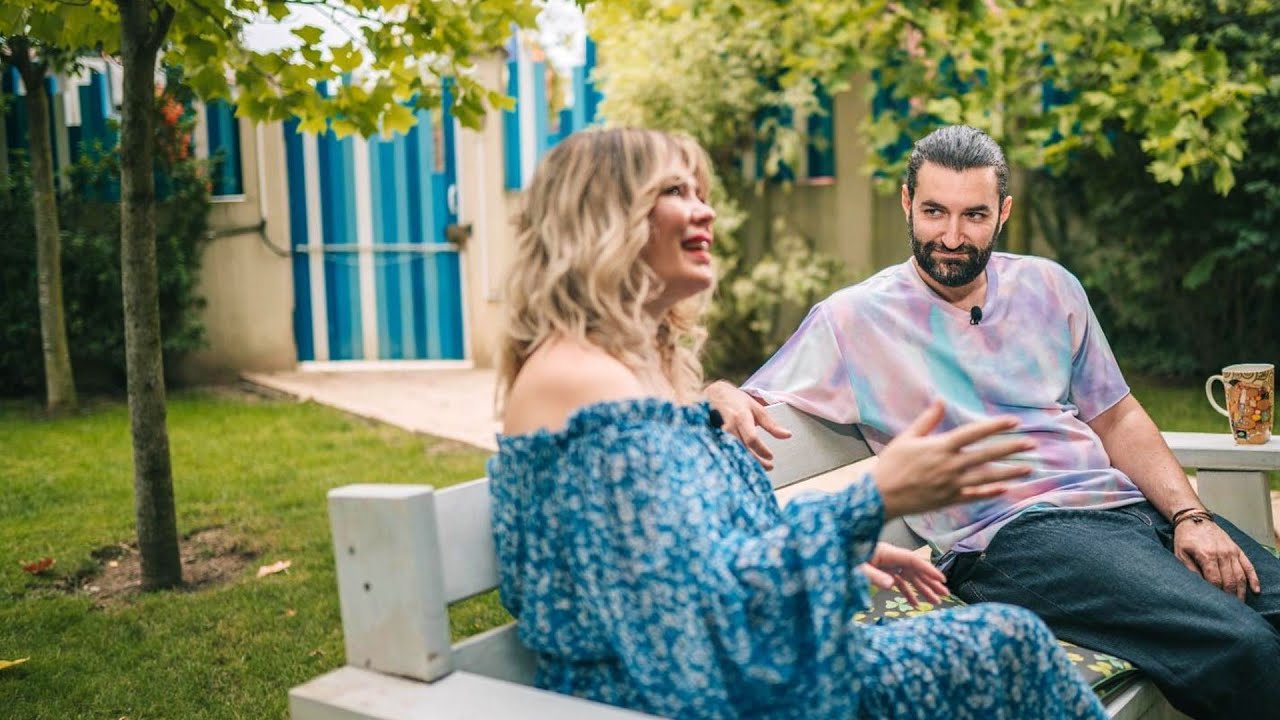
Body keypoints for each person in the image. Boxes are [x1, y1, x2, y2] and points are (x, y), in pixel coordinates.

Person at [488, 127, 1107, 720]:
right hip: (681, 696)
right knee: (1008, 647)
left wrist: (843, 551)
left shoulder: (629, 372)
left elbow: (685, 555)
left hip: (737, 670)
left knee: (1008, 642)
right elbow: (685, 624)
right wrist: (872, 500)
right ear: (603, 217)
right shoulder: (576, 378)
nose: (705, 210)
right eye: (676, 191)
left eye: (701, 192)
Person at [708, 125, 1280, 719]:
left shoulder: (1050, 286)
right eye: (934, 211)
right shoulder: (852, 319)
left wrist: (1190, 516)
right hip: (1014, 539)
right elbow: (746, 398)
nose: (952, 237)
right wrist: (717, 391)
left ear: (1003, 212)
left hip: (1126, 509)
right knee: (1244, 648)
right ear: (907, 203)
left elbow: (1116, 416)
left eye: (974, 215)